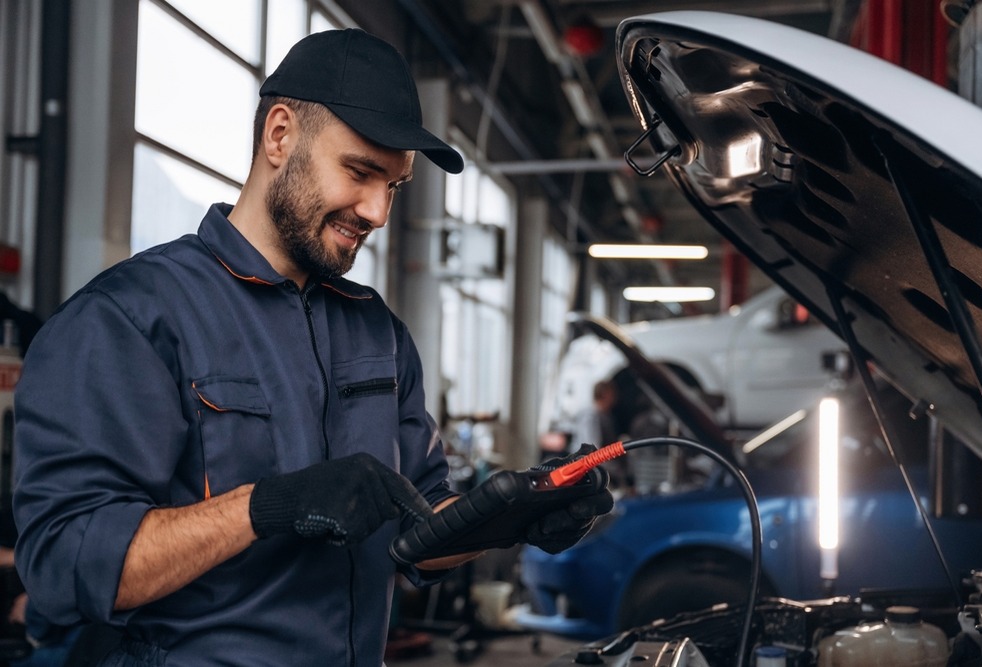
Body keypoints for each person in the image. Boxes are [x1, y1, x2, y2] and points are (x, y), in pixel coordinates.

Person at [12, 29, 612, 666]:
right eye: (360, 172)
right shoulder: (129, 319)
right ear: (280, 135)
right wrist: (267, 506)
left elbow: (421, 528)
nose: (378, 211)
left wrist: (513, 516)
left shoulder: (375, 330)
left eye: (395, 186)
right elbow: (64, 561)